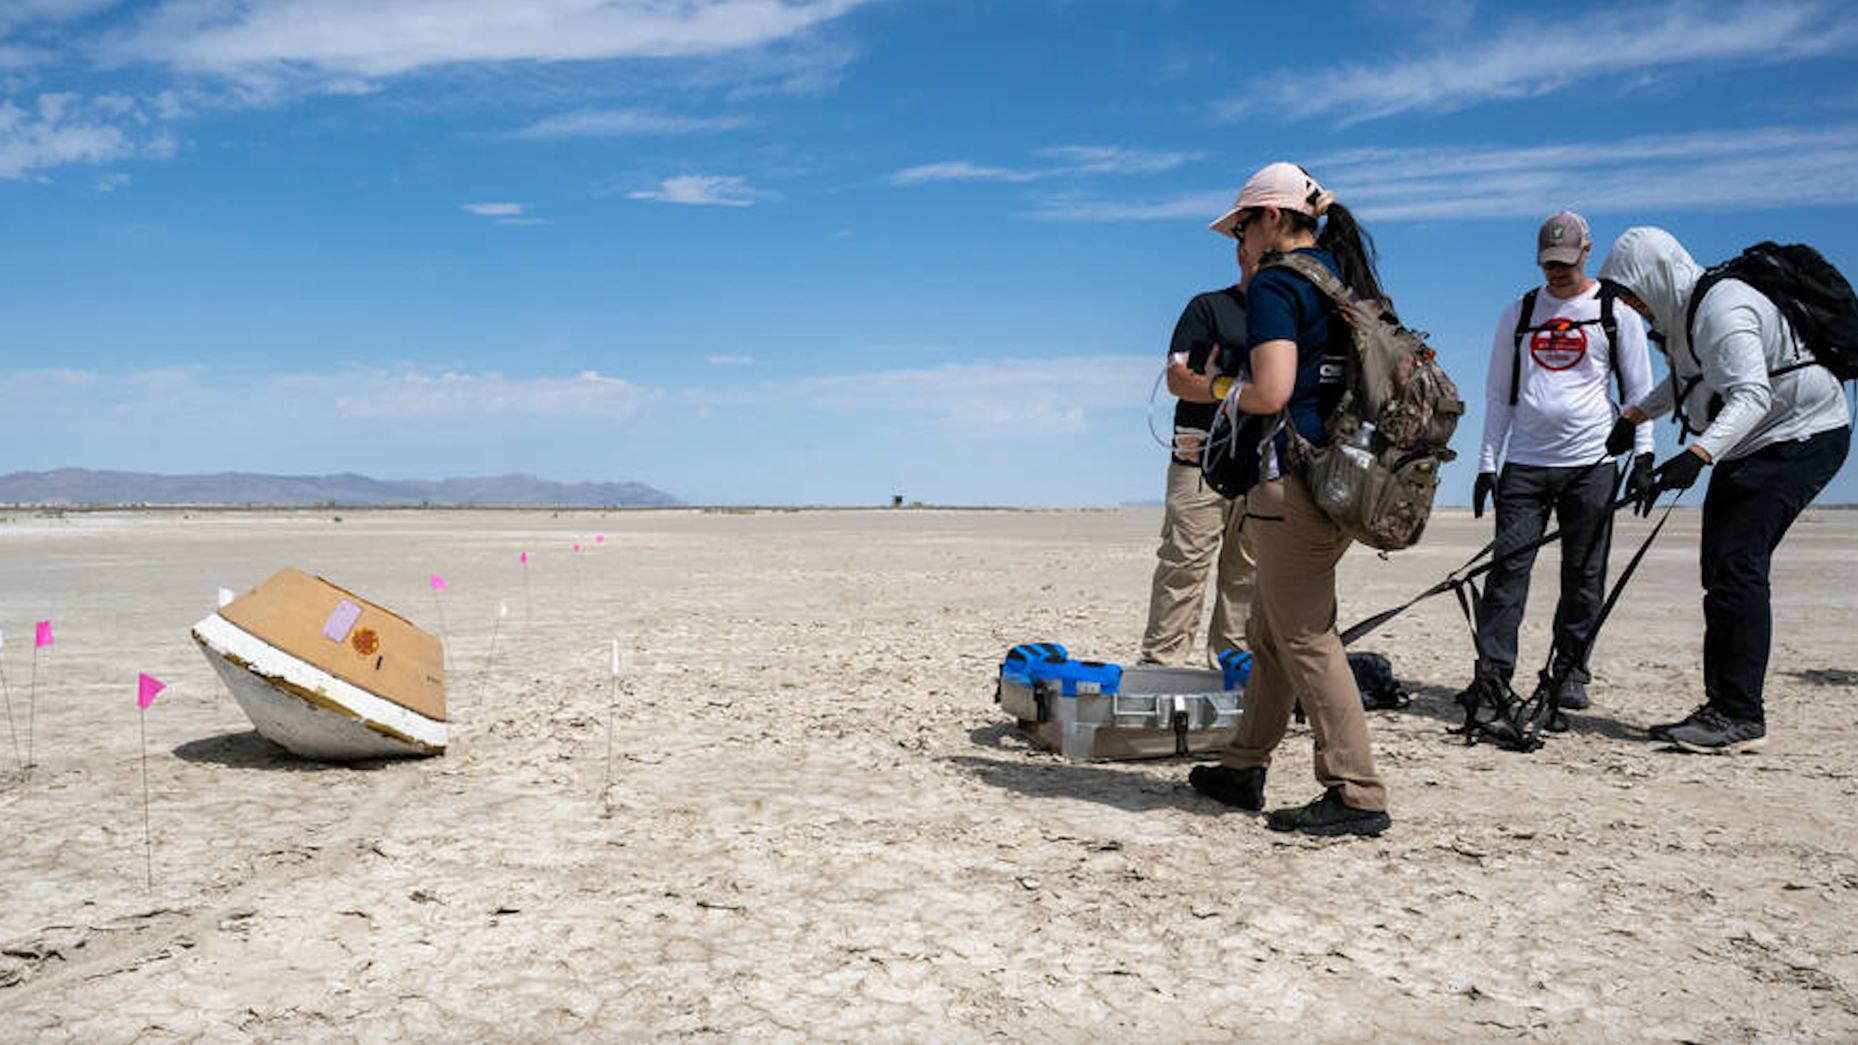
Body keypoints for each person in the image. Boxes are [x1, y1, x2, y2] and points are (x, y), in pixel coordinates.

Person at [1167, 161, 1391, 837]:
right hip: (1345, 478)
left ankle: (1356, 791)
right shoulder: (1344, 280)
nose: (1239, 241)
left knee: (1304, 635)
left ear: (1271, 217)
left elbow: (1272, 391)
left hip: (1291, 480)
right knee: (1268, 631)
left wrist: (1216, 392)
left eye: (1241, 225)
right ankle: (1243, 765)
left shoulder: (1278, 282)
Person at [1598, 226, 1851, 753]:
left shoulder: (1722, 308)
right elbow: (1692, 379)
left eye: (1633, 291)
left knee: (1737, 565)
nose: (1631, 304)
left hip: (1800, 437)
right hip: (1757, 444)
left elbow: (1751, 395)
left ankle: (1738, 714)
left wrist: (1696, 455)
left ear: (1656, 276)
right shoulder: (1684, 318)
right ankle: (1724, 706)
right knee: (1722, 567)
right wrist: (1637, 413)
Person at [1463, 211, 1655, 712]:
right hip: (1524, 465)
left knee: (1584, 575)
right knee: (1506, 574)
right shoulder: (1519, 314)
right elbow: (1498, 395)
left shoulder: (1616, 312)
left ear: (1587, 251)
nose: (1556, 272)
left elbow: (1640, 392)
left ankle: (1570, 673)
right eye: (1548, 264)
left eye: (1566, 262)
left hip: (1592, 464)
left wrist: (1645, 454)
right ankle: (1493, 676)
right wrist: (1487, 463)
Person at [1139, 269, 1256, 668]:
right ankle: (1160, 668)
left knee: (1248, 574)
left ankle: (1233, 671)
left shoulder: (1287, 315)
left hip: (1262, 462)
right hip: (1200, 459)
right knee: (1184, 565)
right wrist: (1231, 389)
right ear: (1242, 251)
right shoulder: (1208, 308)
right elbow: (1178, 379)